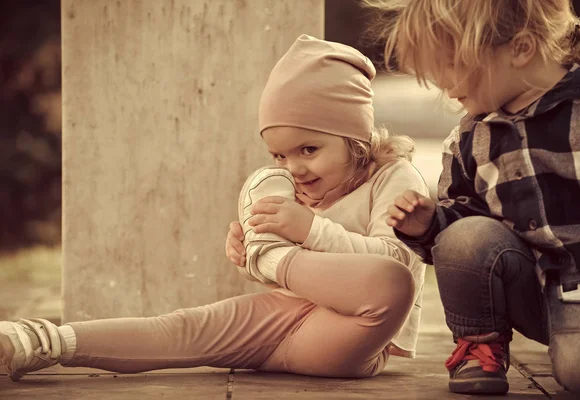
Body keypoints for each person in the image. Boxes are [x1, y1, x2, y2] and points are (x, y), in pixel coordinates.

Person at [1, 35, 429, 382]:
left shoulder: (393, 177)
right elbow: (286, 270)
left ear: (355, 138)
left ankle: (271, 262)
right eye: (279, 156)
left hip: (345, 336)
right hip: (278, 318)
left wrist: (307, 231)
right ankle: (40, 341)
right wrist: (247, 256)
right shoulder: (287, 184)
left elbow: (399, 262)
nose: (294, 167)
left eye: (309, 149)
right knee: (178, 329)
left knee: (391, 281)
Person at [363, 0, 580, 397]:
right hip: (544, 292)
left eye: (453, 66)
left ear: (521, 49)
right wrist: (428, 224)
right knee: (466, 235)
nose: (444, 84)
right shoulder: (470, 138)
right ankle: (480, 346)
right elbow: (466, 224)